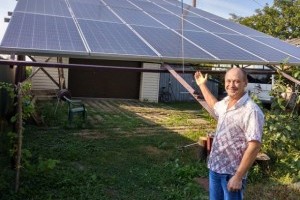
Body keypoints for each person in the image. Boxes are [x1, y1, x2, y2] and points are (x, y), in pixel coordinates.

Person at [194, 68, 264, 200]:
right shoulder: (225, 102)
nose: (231, 85)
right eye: (229, 81)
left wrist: (238, 176)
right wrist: (202, 85)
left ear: (245, 83)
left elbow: (254, 145)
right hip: (215, 168)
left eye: (237, 81)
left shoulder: (251, 111)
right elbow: (214, 105)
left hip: (231, 174)